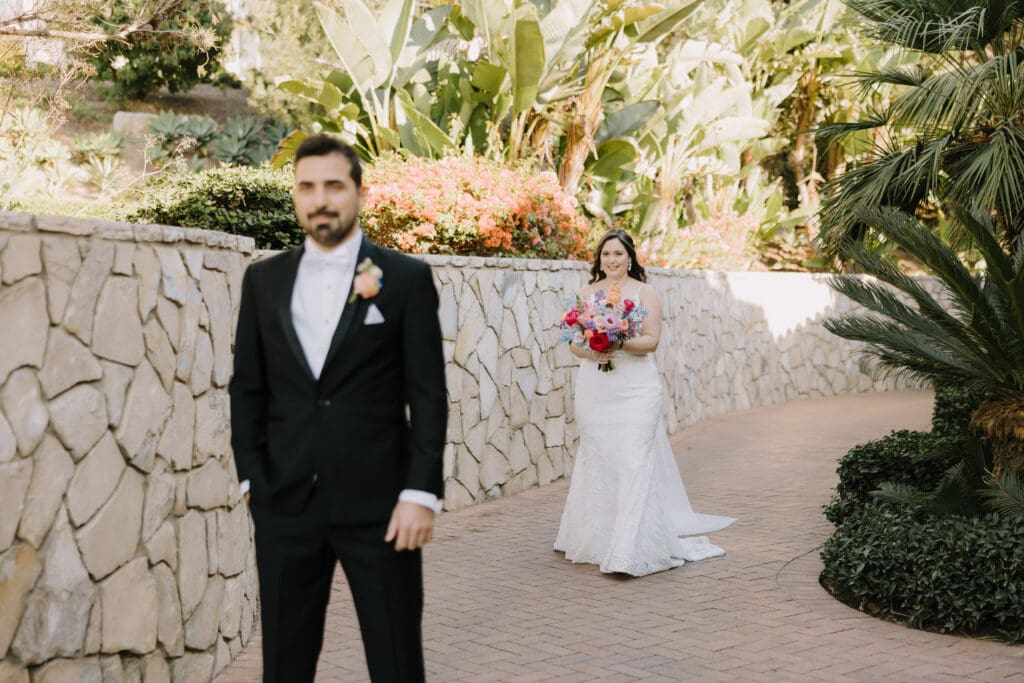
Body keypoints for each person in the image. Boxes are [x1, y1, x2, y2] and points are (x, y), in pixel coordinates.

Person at [229, 134, 447, 682]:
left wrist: (420, 493)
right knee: (284, 666)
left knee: (396, 662)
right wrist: (252, 481)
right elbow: (248, 388)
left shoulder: (405, 279)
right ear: (295, 195)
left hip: (383, 510)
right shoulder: (263, 280)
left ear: (360, 193)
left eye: (333, 185)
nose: (320, 199)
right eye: (306, 187)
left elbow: (427, 395)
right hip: (285, 506)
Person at [554, 229, 735, 577]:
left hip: (636, 388)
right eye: (606, 254)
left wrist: (617, 343)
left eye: (618, 254)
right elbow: (574, 343)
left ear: (630, 258)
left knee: (633, 460)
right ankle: (597, 540)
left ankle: (628, 551)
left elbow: (651, 341)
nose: (611, 260)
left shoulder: (645, 292)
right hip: (596, 387)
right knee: (599, 459)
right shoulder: (586, 293)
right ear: (599, 259)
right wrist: (594, 350)